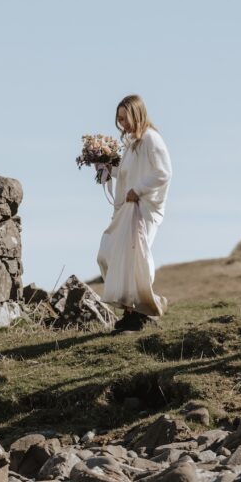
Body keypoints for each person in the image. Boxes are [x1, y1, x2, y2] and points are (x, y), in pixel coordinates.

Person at [96, 94, 173, 332]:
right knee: (107, 253)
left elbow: (164, 172)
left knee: (135, 258)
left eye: (124, 118)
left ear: (136, 114)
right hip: (127, 209)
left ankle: (137, 313)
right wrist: (108, 167)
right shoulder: (133, 143)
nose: (122, 124)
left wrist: (138, 191)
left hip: (143, 209)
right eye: (118, 119)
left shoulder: (151, 139)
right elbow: (129, 175)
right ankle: (135, 310)